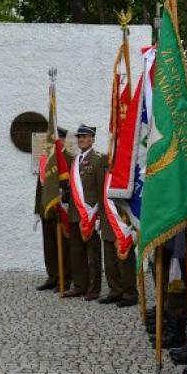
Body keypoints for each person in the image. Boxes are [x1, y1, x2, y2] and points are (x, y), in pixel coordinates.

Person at [65, 124, 104, 301]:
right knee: (76, 253)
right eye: (79, 137)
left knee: (93, 254)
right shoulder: (75, 160)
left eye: (85, 137)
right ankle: (80, 286)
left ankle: (94, 289)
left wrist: (99, 215)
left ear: (92, 139)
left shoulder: (99, 159)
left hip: (91, 215)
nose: (81, 140)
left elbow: (101, 189)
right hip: (75, 213)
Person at [34, 126, 72, 291]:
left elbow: (72, 186)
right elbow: (39, 188)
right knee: (49, 246)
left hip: (61, 210)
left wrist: (64, 197)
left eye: (60, 139)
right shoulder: (45, 159)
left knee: (63, 247)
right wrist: (37, 211)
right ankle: (52, 276)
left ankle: (65, 278)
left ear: (63, 140)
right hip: (46, 210)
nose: (57, 141)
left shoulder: (70, 159)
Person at [98, 190, 139, 307]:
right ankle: (115, 290)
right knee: (109, 258)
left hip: (123, 214)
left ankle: (130, 293)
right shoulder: (104, 175)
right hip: (107, 214)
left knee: (125, 257)